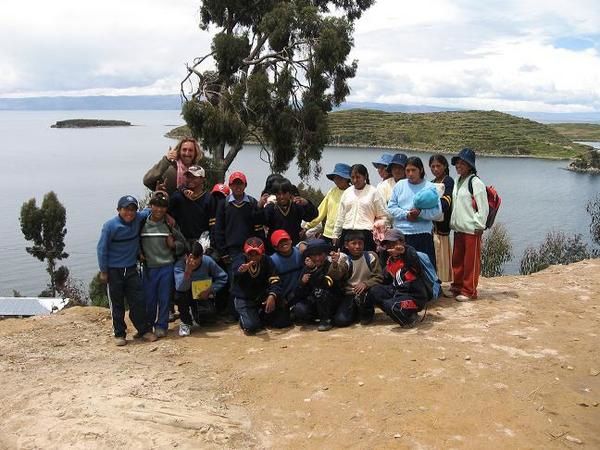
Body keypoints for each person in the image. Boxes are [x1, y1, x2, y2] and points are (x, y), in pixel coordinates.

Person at [97, 195, 157, 346]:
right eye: (126, 209)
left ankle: (144, 330)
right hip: (114, 271)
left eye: (133, 210)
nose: (129, 213)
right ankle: (119, 334)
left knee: (138, 301)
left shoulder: (138, 218)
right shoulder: (110, 226)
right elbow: (102, 249)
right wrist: (103, 271)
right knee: (117, 304)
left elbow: (152, 209)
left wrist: (159, 192)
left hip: (131, 268)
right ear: (118, 210)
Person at [214, 171, 264, 319]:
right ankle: (233, 312)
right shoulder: (223, 205)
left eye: (240, 183)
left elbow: (258, 227)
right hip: (232, 250)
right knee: (234, 280)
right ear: (230, 185)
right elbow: (218, 229)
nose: (237, 186)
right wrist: (223, 251)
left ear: (245, 185)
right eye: (234, 183)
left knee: (251, 278)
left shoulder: (253, 203)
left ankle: (251, 311)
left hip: (251, 249)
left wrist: (260, 248)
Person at [140, 191, 186, 338]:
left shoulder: (169, 225)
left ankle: (161, 326)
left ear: (166, 209)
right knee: (149, 299)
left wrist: (173, 246)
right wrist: (138, 253)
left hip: (167, 266)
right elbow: (134, 241)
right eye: (156, 206)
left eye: (162, 207)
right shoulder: (141, 223)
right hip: (149, 268)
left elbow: (183, 244)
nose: (159, 210)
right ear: (150, 206)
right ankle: (148, 326)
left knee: (165, 298)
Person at [366, 229, 432, 327]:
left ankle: (409, 319)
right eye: (388, 244)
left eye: (394, 243)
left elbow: (413, 259)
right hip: (397, 292)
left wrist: (404, 250)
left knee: (390, 305)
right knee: (374, 291)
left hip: (415, 297)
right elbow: (383, 279)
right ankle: (397, 312)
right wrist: (367, 284)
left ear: (403, 242)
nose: (391, 247)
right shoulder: (388, 259)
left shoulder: (410, 253)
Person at [387, 156, 441, 270]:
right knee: (401, 269)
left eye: (413, 170)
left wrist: (420, 213)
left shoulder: (430, 187)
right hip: (401, 235)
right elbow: (391, 207)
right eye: (407, 170)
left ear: (421, 170)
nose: (410, 174)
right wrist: (406, 214)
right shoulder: (400, 185)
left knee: (424, 268)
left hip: (423, 235)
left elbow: (437, 212)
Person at [450, 148, 488, 301]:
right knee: (457, 260)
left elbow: (482, 207)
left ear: (470, 165)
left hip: (472, 229)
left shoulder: (475, 183)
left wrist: (479, 225)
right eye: (457, 163)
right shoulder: (458, 181)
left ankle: (469, 290)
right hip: (459, 228)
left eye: (462, 163)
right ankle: (457, 286)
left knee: (470, 262)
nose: (459, 165)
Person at [233, 237, 291, 334]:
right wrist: (242, 270)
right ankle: (246, 317)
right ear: (245, 253)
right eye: (250, 254)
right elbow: (236, 270)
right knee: (251, 327)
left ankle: (260, 315)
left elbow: (275, 279)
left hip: (262, 296)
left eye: (257, 254)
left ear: (262, 253)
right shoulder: (240, 260)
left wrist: (272, 295)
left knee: (283, 321)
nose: (253, 257)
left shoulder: (267, 261)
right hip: (245, 298)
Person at [173, 242, 228, 336]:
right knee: (179, 295)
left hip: (202, 294)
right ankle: (185, 321)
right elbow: (180, 287)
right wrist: (188, 271)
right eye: (189, 257)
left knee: (209, 320)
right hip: (186, 293)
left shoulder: (207, 261)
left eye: (195, 258)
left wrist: (210, 290)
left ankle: (196, 315)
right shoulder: (179, 265)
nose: (192, 261)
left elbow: (223, 277)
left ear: (201, 256)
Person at [329, 230, 383, 326]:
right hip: (350, 294)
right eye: (353, 243)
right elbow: (336, 276)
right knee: (341, 321)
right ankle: (355, 311)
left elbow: (378, 277)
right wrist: (334, 264)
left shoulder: (371, 256)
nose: (357, 246)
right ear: (346, 245)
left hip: (366, 292)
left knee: (372, 293)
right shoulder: (345, 261)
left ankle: (367, 311)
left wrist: (366, 284)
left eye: (360, 243)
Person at [332, 164, 389, 252]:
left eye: (358, 177)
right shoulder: (347, 192)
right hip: (347, 233)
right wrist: (336, 234)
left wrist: (380, 234)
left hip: (366, 235)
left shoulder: (374, 192)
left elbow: (383, 215)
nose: (355, 180)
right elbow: (341, 216)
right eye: (352, 177)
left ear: (365, 176)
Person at [292, 239, 343, 331]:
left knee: (320, 292)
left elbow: (328, 284)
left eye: (320, 254)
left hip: (331, 302)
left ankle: (326, 320)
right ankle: (311, 319)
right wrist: (302, 283)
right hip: (314, 303)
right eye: (314, 255)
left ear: (326, 254)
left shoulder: (330, 266)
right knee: (299, 308)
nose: (317, 258)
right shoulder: (306, 269)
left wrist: (315, 270)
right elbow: (298, 293)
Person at [260, 178, 318, 250]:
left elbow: (312, 216)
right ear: (274, 194)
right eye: (278, 194)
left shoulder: (297, 206)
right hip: (274, 248)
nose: (282, 197)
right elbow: (260, 220)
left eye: (284, 193)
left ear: (290, 193)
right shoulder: (271, 208)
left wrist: (306, 203)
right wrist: (260, 206)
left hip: (294, 246)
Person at [302, 163, 351, 245]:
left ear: (347, 179)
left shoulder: (351, 192)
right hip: (328, 233)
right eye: (336, 178)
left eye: (340, 178)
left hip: (344, 233)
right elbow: (320, 211)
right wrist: (307, 226)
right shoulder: (332, 191)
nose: (337, 180)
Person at [168, 165, 211, 247]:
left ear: (202, 179)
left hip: (201, 243)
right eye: (188, 177)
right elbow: (165, 211)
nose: (190, 180)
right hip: (181, 242)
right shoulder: (178, 196)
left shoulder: (209, 199)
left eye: (194, 177)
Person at [429, 154, 454, 286]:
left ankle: (442, 281)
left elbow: (446, 202)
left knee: (442, 256)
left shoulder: (448, 181)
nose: (435, 169)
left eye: (438, 166)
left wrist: (432, 207)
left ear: (444, 166)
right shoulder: (431, 183)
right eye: (432, 166)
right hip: (431, 227)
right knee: (434, 256)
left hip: (442, 226)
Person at [269, 230, 304, 307]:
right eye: (280, 242)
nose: (284, 243)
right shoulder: (272, 260)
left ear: (291, 241)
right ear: (275, 247)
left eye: (286, 240)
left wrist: (304, 243)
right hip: (282, 298)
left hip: (301, 293)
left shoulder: (300, 252)